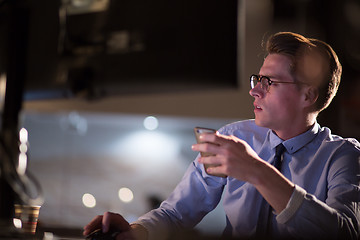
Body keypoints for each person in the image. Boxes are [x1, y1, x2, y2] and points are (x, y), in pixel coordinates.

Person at [83, 32, 360, 240]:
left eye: (270, 83)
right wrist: (136, 232)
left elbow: (345, 233)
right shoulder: (234, 136)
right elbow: (177, 213)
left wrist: (256, 171)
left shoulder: (344, 155)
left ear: (308, 95)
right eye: (257, 79)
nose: (254, 91)